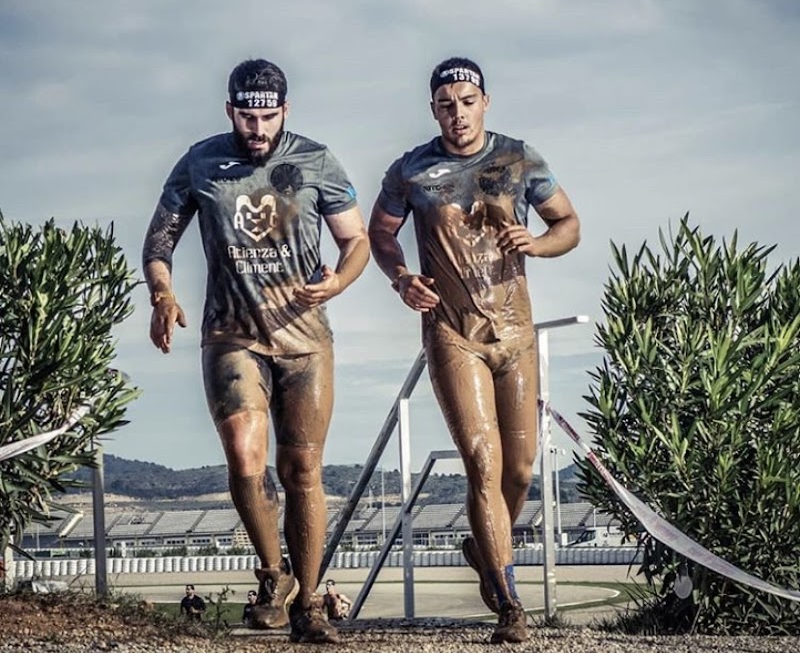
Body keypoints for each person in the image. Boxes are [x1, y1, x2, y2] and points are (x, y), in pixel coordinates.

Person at [143, 58, 369, 644]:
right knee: (245, 456)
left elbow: (357, 241)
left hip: (305, 341)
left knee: (302, 471)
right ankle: (274, 575)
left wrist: (338, 282)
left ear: (285, 111)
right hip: (231, 333)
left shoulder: (317, 161)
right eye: (248, 117)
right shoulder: (201, 162)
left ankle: (311, 604)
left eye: (269, 117)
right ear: (230, 112)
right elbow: (159, 242)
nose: (258, 130)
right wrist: (162, 294)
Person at [368, 57, 580, 644]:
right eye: (444, 105)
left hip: (515, 334)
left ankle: (484, 546)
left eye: (466, 101)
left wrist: (536, 243)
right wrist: (401, 277)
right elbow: (380, 233)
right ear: (433, 109)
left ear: (484, 101)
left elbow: (568, 223)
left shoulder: (517, 158)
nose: (457, 114)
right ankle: (510, 605)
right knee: (483, 464)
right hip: (452, 332)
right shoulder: (412, 170)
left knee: (519, 469)